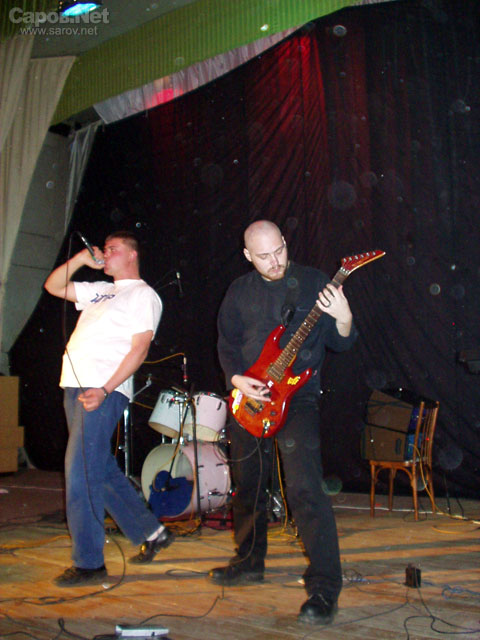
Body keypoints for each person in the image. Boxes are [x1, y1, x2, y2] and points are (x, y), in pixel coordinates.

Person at [209, 220, 357, 625]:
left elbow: (341, 342)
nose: (274, 261)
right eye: (263, 256)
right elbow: (226, 343)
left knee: (305, 487)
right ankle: (248, 562)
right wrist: (236, 379)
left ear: (286, 242)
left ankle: (325, 586)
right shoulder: (238, 291)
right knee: (248, 484)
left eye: (279, 251)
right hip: (250, 398)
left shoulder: (314, 282)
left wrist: (344, 317)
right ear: (247, 256)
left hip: (298, 397)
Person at [44, 231, 173, 587]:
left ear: (131, 255)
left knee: (80, 472)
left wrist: (105, 389)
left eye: (113, 249)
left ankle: (89, 564)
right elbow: (53, 286)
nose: (105, 253)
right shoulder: (100, 289)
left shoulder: (143, 294)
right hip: (74, 385)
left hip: (102, 388)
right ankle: (151, 532)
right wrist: (81, 260)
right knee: (97, 467)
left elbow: (140, 349)